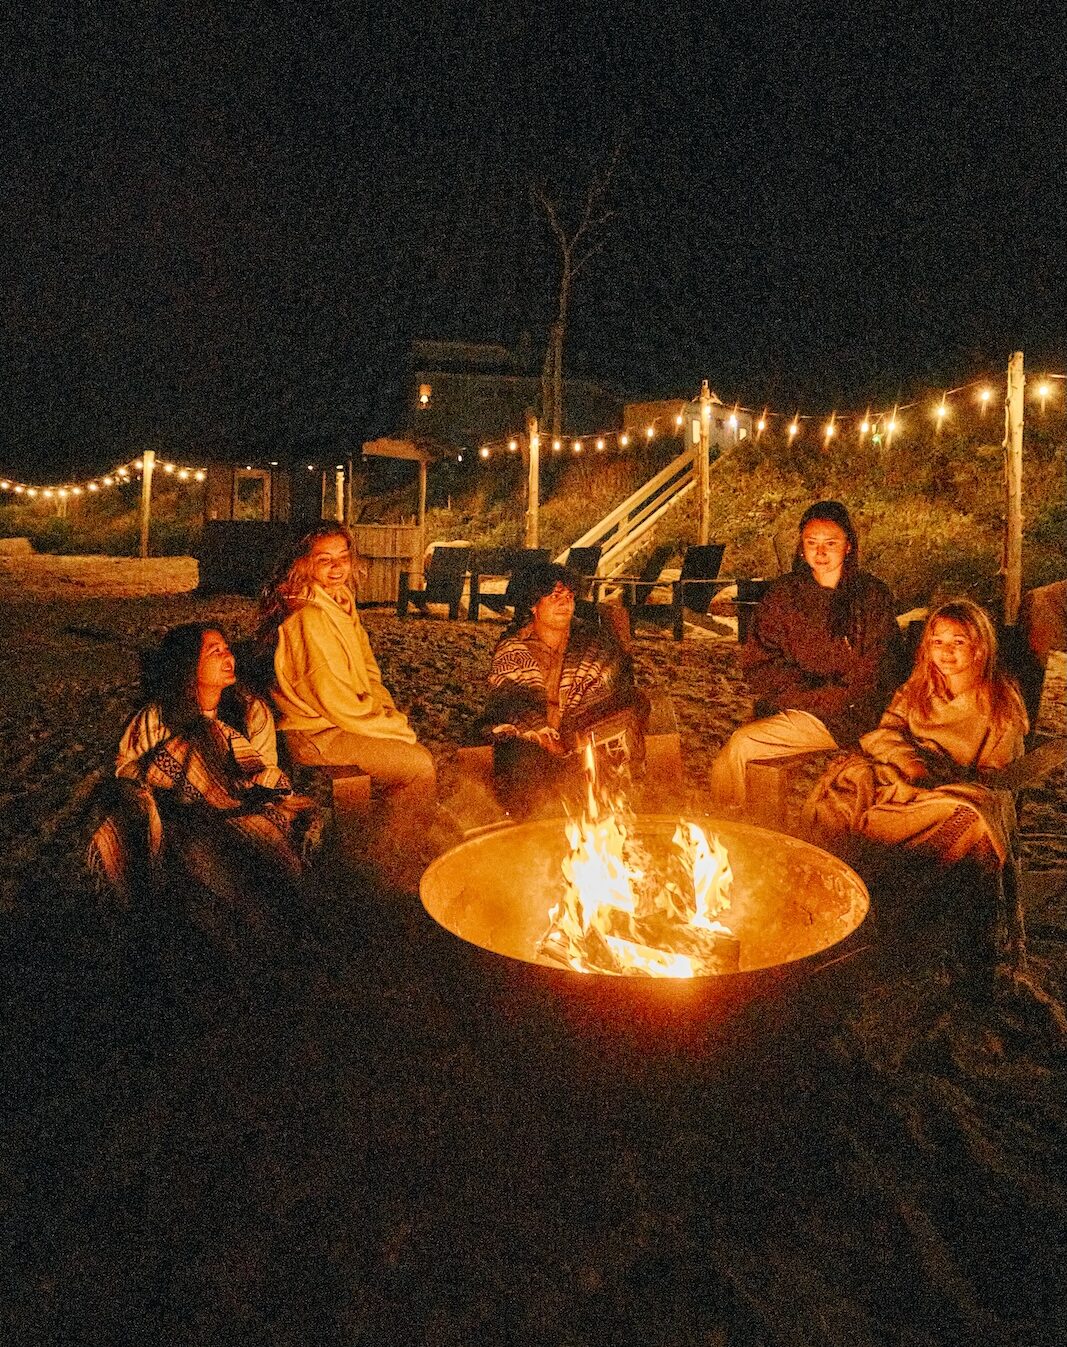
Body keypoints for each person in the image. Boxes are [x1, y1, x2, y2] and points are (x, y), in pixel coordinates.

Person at [88, 623, 316, 907]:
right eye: (214, 652)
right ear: (188, 665)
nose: (228, 658)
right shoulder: (157, 716)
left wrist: (220, 778)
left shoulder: (251, 710)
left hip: (237, 807)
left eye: (227, 649)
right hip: (180, 812)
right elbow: (125, 767)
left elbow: (263, 769)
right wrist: (175, 771)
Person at [803, 600, 1028, 868]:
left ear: (979, 648)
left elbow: (997, 774)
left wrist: (941, 779)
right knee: (843, 795)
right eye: (937, 642)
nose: (946, 651)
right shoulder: (918, 688)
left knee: (973, 817)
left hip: (948, 789)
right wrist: (911, 762)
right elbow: (886, 732)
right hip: (898, 775)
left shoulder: (1000, 701)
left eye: (958, 642)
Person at [709, 499, 901, 812]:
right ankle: (729, 820)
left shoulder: (871, 596)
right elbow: (761, 660)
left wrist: (827, 698)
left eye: (831, 543)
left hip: (849, 714)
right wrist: (797, 695)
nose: (820, 552)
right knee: (741, 745)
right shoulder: (784, 594)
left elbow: (879, 666)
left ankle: (727, 823)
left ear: (848, 546)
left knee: (741, 746)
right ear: (801, 547)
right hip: (797, 703)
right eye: (812, 543)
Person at [258, 523, 438, 847]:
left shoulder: (341, 600)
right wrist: (391, 725)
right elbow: (335, 701)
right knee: (419, 765)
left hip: (344, 720)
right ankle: (390, 858)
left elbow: (370, 670)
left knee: (410, 750)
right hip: (316, 733)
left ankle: (386, 843)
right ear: (304, 563)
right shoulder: (307, 616)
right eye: (325, 559)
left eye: (343, 556)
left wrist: (384, 710)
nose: (338, 566)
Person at [478, 562, 650, 816]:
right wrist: (540, 732)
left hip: (584, 730)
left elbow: (613, 684)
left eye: (569, 597)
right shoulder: (512, 648)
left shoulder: (594, 642)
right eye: (555, 597)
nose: (565, 604)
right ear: (534, 605)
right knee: (520, 759)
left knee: (632, 704)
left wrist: (570, 734)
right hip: (533, 739)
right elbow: (508, 700)